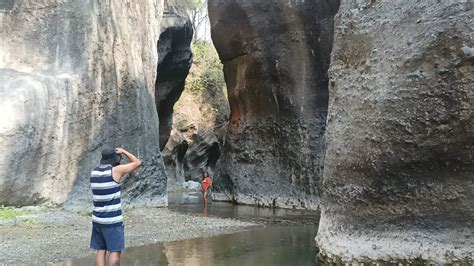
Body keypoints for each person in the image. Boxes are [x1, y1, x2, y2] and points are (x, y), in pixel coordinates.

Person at [90, 147, 141, 266]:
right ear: (114, 159)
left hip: (97, 220)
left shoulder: (94, 172)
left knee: (101, 250)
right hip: (112, 222)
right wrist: (124, 151)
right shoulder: (116, 171)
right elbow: (137, 163)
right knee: (115, 250)